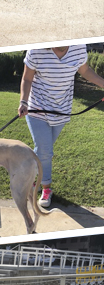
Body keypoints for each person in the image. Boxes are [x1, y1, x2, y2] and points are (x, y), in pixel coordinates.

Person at [18, 45, 104, 207]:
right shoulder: (36, 50)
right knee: (45, 150)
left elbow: (85, 71)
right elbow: (27, 78)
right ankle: (46, 188)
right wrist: (23, 101)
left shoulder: (78, 48)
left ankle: (33, 178)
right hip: (37, 108)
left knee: (44, 150)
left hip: (62, 111)